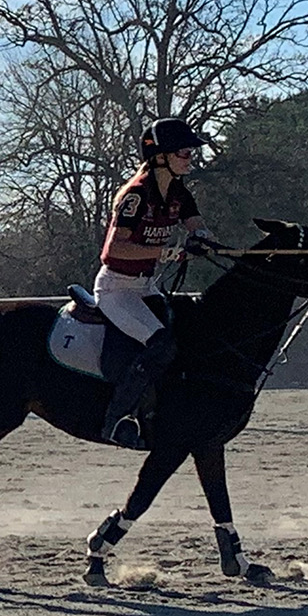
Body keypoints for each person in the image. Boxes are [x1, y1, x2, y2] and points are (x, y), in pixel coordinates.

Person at [94, 117, 216, 449]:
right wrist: (166, 252)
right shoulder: (135, 194)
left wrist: (203, 239)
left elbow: (198, 227)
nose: (190, 157)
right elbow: (114, 249)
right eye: (184, 152)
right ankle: (118, 419)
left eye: (191, 152)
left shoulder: (179, 192)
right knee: (160, 344)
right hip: (116, 289)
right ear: (160, 155)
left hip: (147, 287)